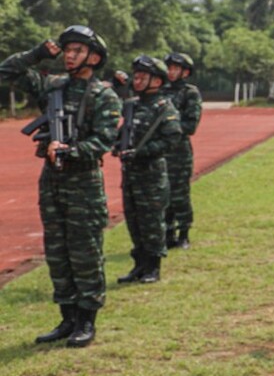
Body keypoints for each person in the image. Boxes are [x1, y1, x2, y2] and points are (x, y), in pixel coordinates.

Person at [1, 26, 121, 347]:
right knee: (57, 251)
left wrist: (73, 149)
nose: (69, 55)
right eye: (67, 50)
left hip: (83, 182)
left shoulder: (103, 95)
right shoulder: (52, 87)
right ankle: (67, 318)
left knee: (85, 251)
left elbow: (104, 140)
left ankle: (86, 320)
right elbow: (7, 71)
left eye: (77, 51)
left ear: (94, 57)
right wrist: (37, 54)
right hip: (52, 179)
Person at [114, 56, 183, 285]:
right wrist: (118, 145)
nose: (138, 80)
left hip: (151, 174)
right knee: (133, 220)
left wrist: (142, 152)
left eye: (144, 76)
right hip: (131, 174)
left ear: (157, 81)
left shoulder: (163, 107)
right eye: (137, 76)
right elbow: (123, 132)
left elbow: (172, 139)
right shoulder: (132, 105)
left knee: (152, 222)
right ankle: (140, 264)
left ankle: (153, 266)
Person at [161, 52, 202, 249]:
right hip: (160, 150)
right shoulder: (159, 90)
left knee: (180, 194)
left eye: (175, 68)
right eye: (169, 67)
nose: (171, 72)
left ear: (185, 72)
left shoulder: (189, 92)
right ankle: (167, 233)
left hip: (179, 151)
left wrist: (169, 126)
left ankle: (183, 233)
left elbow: (190, 125)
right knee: (162, 193)